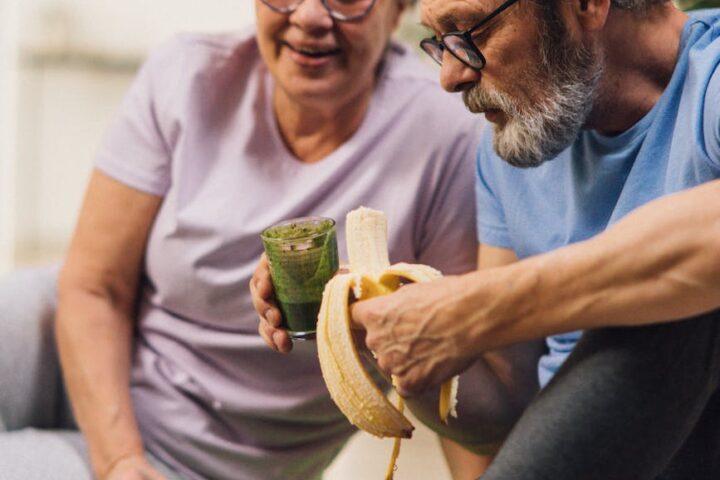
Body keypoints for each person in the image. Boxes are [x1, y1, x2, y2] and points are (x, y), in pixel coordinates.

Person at [0, 0, 543, 479]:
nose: (309, 16)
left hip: (194, 460)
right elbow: (94, 286)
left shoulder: (443, 136)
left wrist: (363, 315)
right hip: (75, 350)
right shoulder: (185, 73)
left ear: (398, 9)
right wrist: (117, 459)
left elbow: (455, 374)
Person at [345, 0, 720, 478]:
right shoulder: (511, 149)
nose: (451, 77)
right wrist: (382, 326)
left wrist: (480, 307)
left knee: (689, 288)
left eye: (472, 32)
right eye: (443, 43)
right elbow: (500, 412)